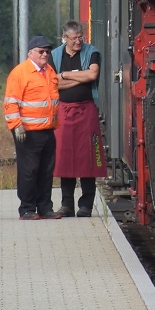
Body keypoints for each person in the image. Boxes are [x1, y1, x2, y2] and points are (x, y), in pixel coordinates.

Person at [51, 21, 107, 217]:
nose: (78, 41)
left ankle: (86, 205)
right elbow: (52, 83)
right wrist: (78, 77)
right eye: (74, 38)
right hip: (64, 112)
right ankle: (67, 204)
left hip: (86, 110)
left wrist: (66, 75)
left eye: (80, 37)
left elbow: (92, 74)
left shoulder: (92, 52)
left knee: (88, 158)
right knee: (65, 159)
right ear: (64, 38)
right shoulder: (55, 55)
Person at [3, 35, 62, 220]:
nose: (45, 54)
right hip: (27, 132)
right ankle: (27, 209)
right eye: (41, 51)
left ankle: (45, 207)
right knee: (29, 171)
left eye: (47, 51)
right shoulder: (20, 73)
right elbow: (11, 103)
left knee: (46, 171)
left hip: (47, 130)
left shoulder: (50, 71)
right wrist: (16, 126)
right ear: (30, 53)